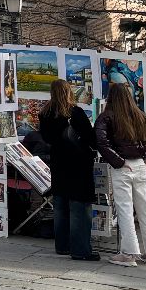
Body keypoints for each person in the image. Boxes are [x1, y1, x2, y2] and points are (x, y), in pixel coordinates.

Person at [95, 83, 146, 267]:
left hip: (122, 166)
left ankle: (129, 253)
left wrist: (118, 162)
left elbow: (101, 142)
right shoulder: (140, 115)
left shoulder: (106, 117)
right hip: (140, 164)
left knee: (125, 209)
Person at [38, 78, 100, 261]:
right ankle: (81, 249)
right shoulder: (75, 113)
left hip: (58, 162)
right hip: (78, 164)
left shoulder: (45, 114)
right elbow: (91, 138)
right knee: (79, 207)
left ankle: (62, 245)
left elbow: (47, 138)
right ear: (68, 92)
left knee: (61, 205)